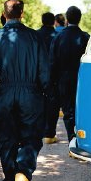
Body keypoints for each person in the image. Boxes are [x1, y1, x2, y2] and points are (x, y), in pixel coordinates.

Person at [0, 0, 49, 181]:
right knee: (31, 137)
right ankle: (23, 171)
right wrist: (44, 92)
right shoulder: (35, 37)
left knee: (7, 139)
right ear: (22, 13)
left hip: (5, 91)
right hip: (31, 93)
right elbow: (45, 70)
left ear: (4, 14)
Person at [49, 6, 90, 143]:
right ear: (80, 18)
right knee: (82, 110)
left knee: (68, 111)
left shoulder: (58, 37)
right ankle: (82, 139)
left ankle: (72, 140)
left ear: (67, 19)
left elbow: (52, 61)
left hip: (63, 80)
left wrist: (52, 81)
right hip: (82, 80)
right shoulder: (85, 37)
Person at [37, 12, 59, 144]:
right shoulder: (58, 35)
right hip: (53, 74)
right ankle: (49, 133)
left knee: (38, 102)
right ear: (53, 22)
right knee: (53, 104)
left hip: (37, 74)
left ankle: (38, 130)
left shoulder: (35, 35)